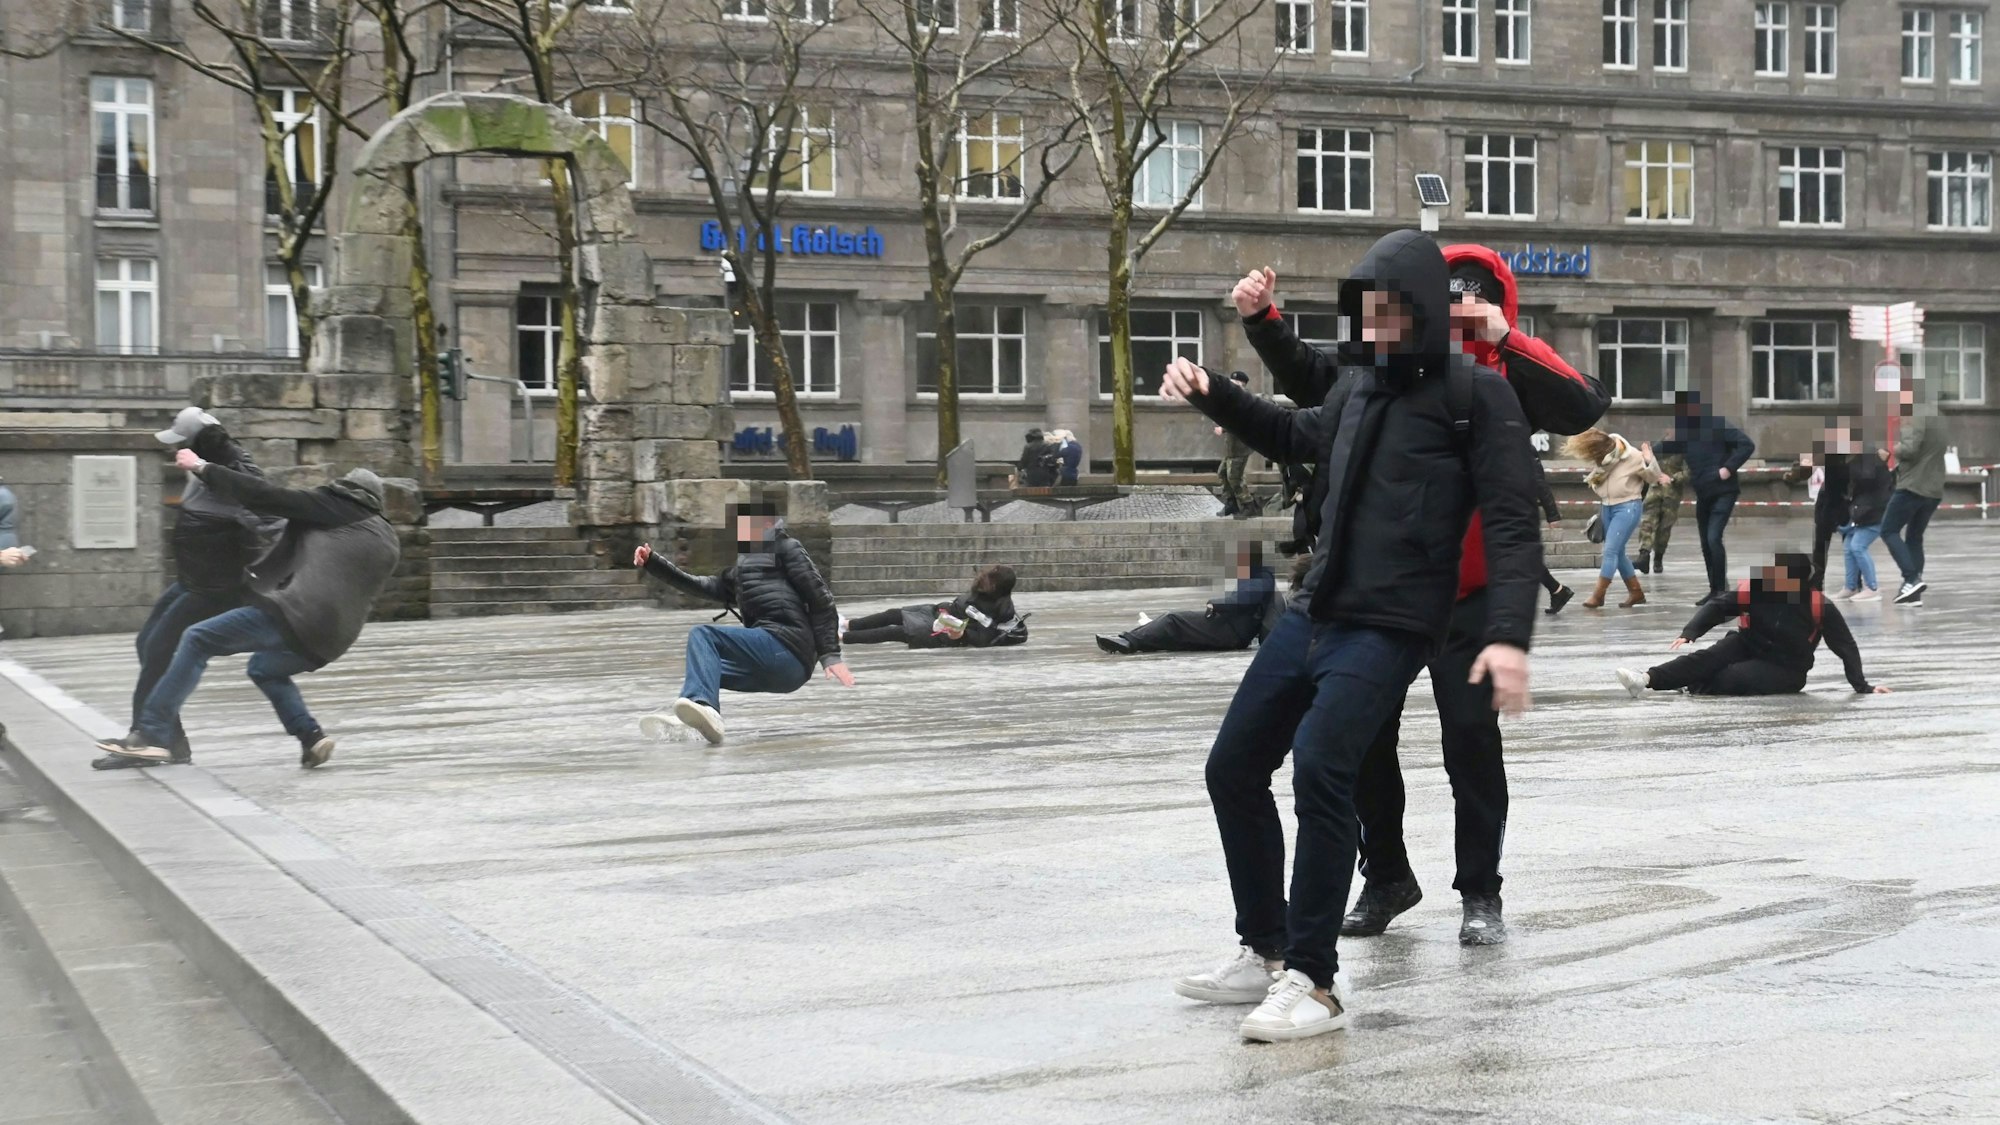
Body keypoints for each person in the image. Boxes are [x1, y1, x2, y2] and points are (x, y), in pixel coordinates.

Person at [1165, 230, 1546, 1042]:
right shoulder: (1359, 385)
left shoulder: (1477, 395)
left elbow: (1514, 526)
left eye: (1387, 311)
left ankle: (1314, 981)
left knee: (1322, 766)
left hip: (1394, 622)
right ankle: (1266, 947)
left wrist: (1508, 635)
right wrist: (1213, 393)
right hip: (1316, 606)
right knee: (1233, 767)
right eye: (1363, 311)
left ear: (1422, 311)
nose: (1372, 327)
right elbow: (1295, 434)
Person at [1227, 248, 1606, 951]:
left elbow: (1582, 404)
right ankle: (1387, 876)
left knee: (1470, 744)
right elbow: (1319, 385)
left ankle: (1480, 890)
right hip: (1386, 595)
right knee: (1361, 743)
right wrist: (1265, 322)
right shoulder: (1389, 366)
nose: (1454, 316)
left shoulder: (1498, 379)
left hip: (1472, 597)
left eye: (1471, 303)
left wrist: (1506, 337)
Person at [99, 456, 402, 768]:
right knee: (265, 669)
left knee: (197, 638)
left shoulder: (335, 508)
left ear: (343, 491)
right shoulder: (386, 537)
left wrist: (203, 467)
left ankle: (153, 734)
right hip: (333, 641)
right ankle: (311, 737)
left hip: (299, 618)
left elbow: (266, 495)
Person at [95, 407, 279, 770]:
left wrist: (212, 456)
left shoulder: (231, 464)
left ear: (203, 442)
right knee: (146, 644)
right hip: (192, 580)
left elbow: (267, 505)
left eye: (181, 442)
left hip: (215, 586)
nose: (174, 449)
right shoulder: (201, 464)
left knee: (159, 648)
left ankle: (148, 737)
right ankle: (167, 740)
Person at [633, 505, 854, 746]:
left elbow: (821, 600)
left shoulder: (787, 547)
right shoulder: (743, 568)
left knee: (702, 635)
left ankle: (706, 709)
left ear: (769, 524)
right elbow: (699, 585)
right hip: (780, 670)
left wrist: (830, 654)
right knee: (705, 668)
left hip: (788, 648)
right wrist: (653, 563)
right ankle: (693, 717)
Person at [1616, 553, 1888, 698]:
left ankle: (1690, 685)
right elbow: (1719, 606)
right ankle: (1646, 679)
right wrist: (1691, 632)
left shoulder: (1819, 605)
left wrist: (1862, 686)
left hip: (1786, 668)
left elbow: (1845, 645)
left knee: (1733, 677)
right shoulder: (1757, 588)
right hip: (1747, 643)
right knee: (1705, 659)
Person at [1657, 391, 1756, 605]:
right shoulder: (1685, 433)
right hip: (1703, 494)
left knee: (1713, 538)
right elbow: (1664, 448)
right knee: (1705, 543)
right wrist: (1640, 452)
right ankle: (1714, 589)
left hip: (1724, 491)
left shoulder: (1717, 425)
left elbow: (1747, 445)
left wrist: (1728, 469)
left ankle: (1721, 590)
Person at [1096, 542, 1283, 654]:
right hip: (1231, 628)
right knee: (1176, 631)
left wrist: (1216, 604)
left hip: (1231, 632)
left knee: (1173, 619)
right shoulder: (1257, 575)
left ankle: (1128, 641)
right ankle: (1130, 641)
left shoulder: (1261, 578)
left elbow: (1242, 600)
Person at [1565, 428, 1662, 610]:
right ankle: (1636, 592)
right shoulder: (1604, 459)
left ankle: (1598, 595)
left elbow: (1654, 477)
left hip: (1627, 507)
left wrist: (1649, 459)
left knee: (1610, 551)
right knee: (1618, 552)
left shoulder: (1632, 456)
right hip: (1607, 506)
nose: (1596, 460)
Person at [842, 564, 1027, 649]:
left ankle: (842, 637)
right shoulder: (983, 591)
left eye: (990, 576)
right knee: (893, 614)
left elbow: (983, 638)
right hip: (937, 612)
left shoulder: (997, 611)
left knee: (895, 631)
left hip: (944, 632)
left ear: (996, 587)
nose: (983, 576)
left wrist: (962, 635)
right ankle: (848, 624)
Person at [1880, 386, 1948, 606]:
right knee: (1914, 537)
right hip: (1933, 488)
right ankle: (1913, 592)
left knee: (1888, 530)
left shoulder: (1914, 414)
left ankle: (1911, 578)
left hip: (1912, 486)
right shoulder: (1938, 416)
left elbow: (1909, 449)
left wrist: (1891, 449)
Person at [1835, 448, 1895, 602]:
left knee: (1858, 546)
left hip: (1874, 512)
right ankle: (1851, 587)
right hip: (1862, 512)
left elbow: (1866, 482)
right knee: (1849, 547)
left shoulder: (1868, 461)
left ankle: (1872, 588)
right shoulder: (1858, 460)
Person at [1634, 452, 1689, 574]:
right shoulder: (1658, 447)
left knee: (1664, 529)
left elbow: (1690, 472)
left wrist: (1673, 478)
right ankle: (1644, 555)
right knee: (1647, 522)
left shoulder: (1683, 449)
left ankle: (1658, 557)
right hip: (1654, 491)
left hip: (1671, 494)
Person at [1533, 458, 1575, 614]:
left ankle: (1557, 590)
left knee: (1521, 557)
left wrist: (1552, 514)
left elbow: (1538, 482)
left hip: (1512, 509)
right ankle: (1557, 590)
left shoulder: (1519, 446)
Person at [1213, 374, 1257, 518]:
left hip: (1240, 448)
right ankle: (1231, 503)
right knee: (1222, 473)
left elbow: (1239, 421)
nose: (1231, 385)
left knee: (1235, 478)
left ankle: (1248, 505)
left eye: (1235, 383)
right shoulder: (1233, 398)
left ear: (1242, 384)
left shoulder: (1245, 400)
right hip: (1231, 448)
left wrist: (1223, 428)